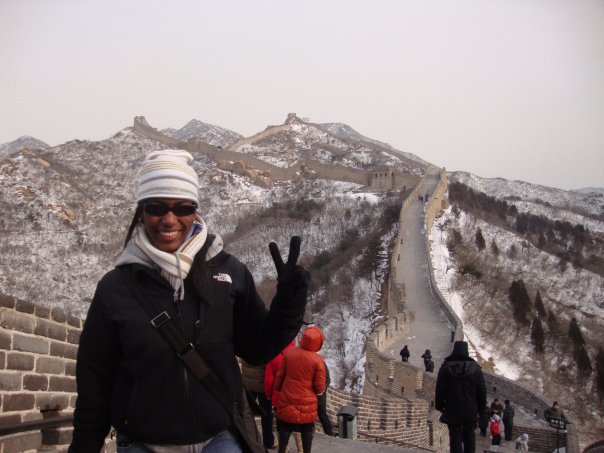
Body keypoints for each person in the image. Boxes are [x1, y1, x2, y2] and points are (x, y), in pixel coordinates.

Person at [69, 150, 310, 453]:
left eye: (182, 208)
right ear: (141, 211)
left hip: (219, 440)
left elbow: (257, 348)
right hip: (144, 444)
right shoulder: (116, 288)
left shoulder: (228, 271)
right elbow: (94, 385)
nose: (169, 219)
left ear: (195, 212)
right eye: (157, 207)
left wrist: (288, 304)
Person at [274, 326, 327, 453]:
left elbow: (280, 376)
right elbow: (319, 386)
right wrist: (319, 393)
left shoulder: (289, 353)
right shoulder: (318, 360)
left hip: (287, 399)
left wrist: (278, 389)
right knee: (306, 434)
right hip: (306, 404)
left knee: (284, 432)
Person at [435, 341, 487, 453]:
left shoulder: (445, 368)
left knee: (455, 438)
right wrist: (481, 408)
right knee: (469, 435)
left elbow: (440, 390)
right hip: (470, 410)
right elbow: (482, 390)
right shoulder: (475, 368)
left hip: (452, 409)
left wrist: (440, 406)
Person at [265, 341, 302, 452]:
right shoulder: (300, 357)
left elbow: (269, 381)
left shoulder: (273, 358)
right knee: (298, 423)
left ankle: (284, 449)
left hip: (279, 398)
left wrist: (268, 394)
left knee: (281, 424)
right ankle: (301, 449)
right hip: (296, 396)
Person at [241, 359, 275, 450]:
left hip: (248, 384)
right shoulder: (263, 348)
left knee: (247, 413)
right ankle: (268, 442)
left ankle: (247, 440)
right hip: (262, 386)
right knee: (266, 414)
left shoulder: (245, 348)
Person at [316, 362, 333, 436]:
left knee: (322, 415)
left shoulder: (321, 362)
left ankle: (329, 434)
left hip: (320, 395)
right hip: (311, 394)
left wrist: (323, 389)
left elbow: (328, 379)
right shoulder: (320, 361)